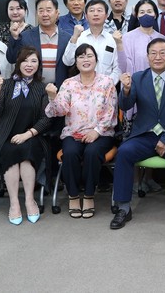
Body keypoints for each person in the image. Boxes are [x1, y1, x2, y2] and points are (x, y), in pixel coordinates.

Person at [110, 39, 165, 230]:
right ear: (147, 57)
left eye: (163, 52)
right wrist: (126, 90)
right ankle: (123, 208)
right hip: (145, 134)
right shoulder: (138, 77)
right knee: (124, 152)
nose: (158, 57)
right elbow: (125, 105)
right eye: (153, 53)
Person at [0, 46, 51, 225]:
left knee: (26, 155)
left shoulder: (42, 88)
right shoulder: (7, 85)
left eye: (33, 61)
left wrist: (27, 135)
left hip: (32, 136)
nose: (29, 65)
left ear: (39, 65)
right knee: (10, 153)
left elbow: (46, 118)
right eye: (25, 60)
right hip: (5, 136)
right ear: (18, 63)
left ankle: (29, 200)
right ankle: (14, 203)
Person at [45, 43, 118, 219]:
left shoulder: (107, 82)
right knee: (70, 153)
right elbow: (60, 111)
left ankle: (89, 195)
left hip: (101, 133)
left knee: (92, 153)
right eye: (81, 56)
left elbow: (111, 111)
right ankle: (73, 195)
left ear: (96, 60)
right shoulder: (68, 83)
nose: (86, 59)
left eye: (89, 56)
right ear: (76, 62)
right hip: (73, 132)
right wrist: (53, 98)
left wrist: (96, 131)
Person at [6, 0, 71, 89]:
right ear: (36, 13)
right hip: (32, 89)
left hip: (60, 89)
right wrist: (15, 37)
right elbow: (12, 58)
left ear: (57, 13)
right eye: (41, 11)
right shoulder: (26, 36)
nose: (44, 14)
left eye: (48, 10)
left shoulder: (67, 38)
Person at [62, 0, 120, 86]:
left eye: (99, 10)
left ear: (106, 16)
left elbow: (117, 68)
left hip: (106, 88)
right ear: (86, 16)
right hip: (81, 87)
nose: (95, 14)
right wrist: (74, 37)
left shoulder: (112, 40)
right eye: (92, 10)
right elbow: (67, 61)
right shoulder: (79, 37)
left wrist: (107, 84)